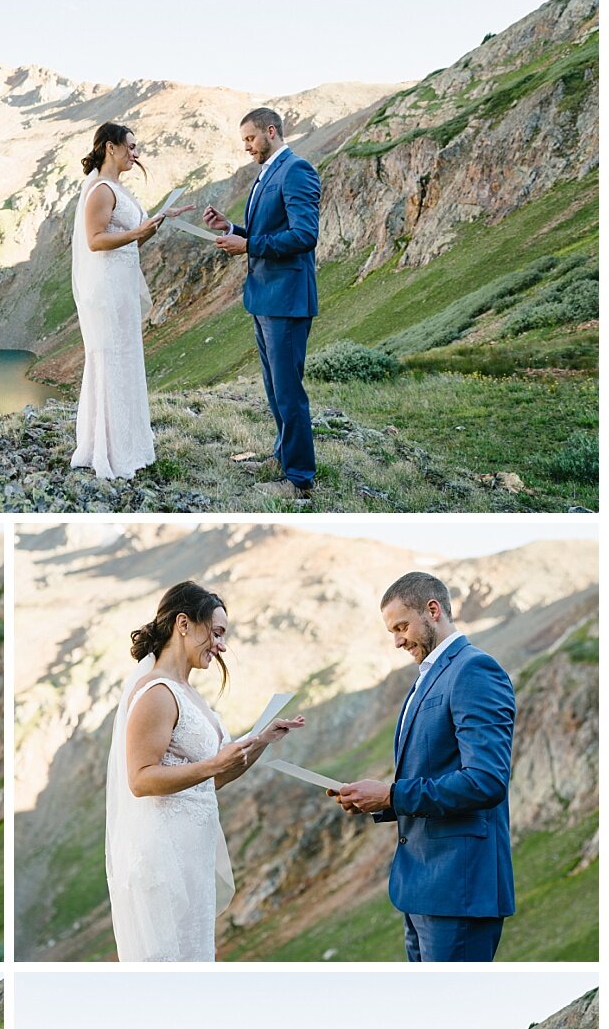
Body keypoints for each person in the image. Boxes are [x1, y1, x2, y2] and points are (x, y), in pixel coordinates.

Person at [104, 582, 304, 960]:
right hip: (163, 858)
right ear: (183, 623)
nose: (222, 645)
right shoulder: (157, 693)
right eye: (216, 633)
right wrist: (214, 763)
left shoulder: (189, 692)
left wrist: (260, 741)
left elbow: (211, 781)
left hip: (192, 856)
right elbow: (140, 779)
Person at [332, 570, 516, 961]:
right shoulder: (429, 677)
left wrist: (391, 795)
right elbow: (431, 770)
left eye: (402, 627)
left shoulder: (474, 670)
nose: (398, 641)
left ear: (433, 610)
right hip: (421, 890)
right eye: (392, 632)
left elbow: (486, 780)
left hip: (459, 890)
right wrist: (380, 799)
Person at [205, 108, 320, 498]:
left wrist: (248, 245)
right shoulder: (268, 171)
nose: (247, 148)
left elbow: (304, 235)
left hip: (287, 301)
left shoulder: (297, 170)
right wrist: (232, 228)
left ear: (271, 131)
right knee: (274, 389)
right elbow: (267, 228)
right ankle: (281, 457)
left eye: (250, 139)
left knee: (289, 392)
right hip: (265, 298)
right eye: (244, 142)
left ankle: (300, 480)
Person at [70, 121, 164, 481]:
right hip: (107, 289)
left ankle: (131, 443)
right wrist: (138, 231)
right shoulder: (100, 189)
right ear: (111, 147)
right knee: (111, 359)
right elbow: (94, 241)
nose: (136, 154)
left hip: (121, 284)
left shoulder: (116, 189)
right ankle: (107, 449)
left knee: (126, 358)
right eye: (131, 146)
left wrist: (147, 232)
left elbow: (123, 241)